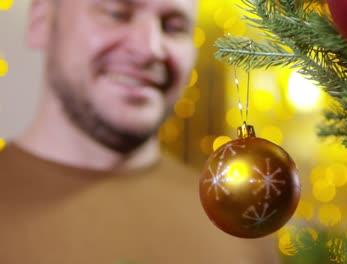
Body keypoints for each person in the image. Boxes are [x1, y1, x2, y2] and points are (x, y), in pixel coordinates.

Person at [0, 0, 280, 263]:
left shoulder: (243, 218)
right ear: (40, 21)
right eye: (117, 12)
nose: (150, 49)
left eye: (174, 27)